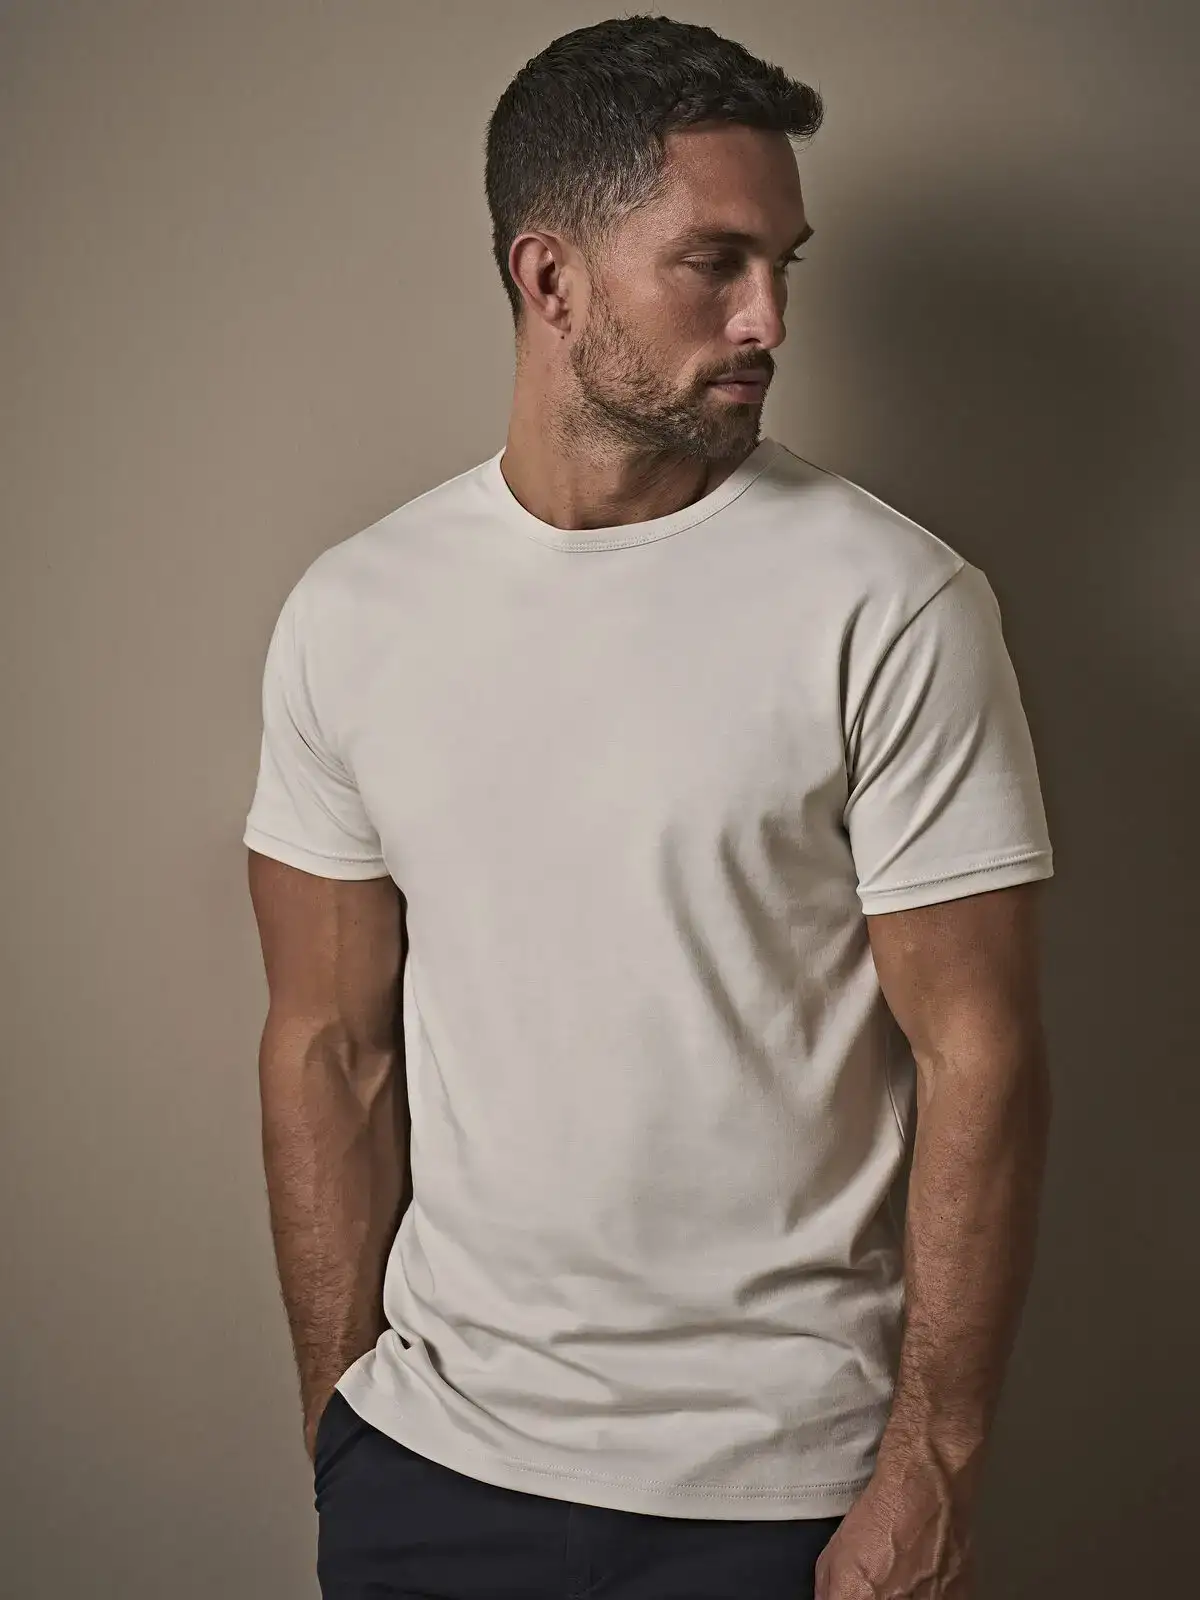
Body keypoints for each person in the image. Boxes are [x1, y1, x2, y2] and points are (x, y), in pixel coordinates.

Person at [244, 15, 1054, 1599]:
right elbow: (327, 1045)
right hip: (432, 1471)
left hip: (785, 1494)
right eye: (715, 263)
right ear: (550, 278)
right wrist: (342, 1429)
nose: (768, 318)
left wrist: (932, 1473)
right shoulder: (354, 612)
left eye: (783, 266)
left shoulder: (891, 603)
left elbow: (984, 1056)